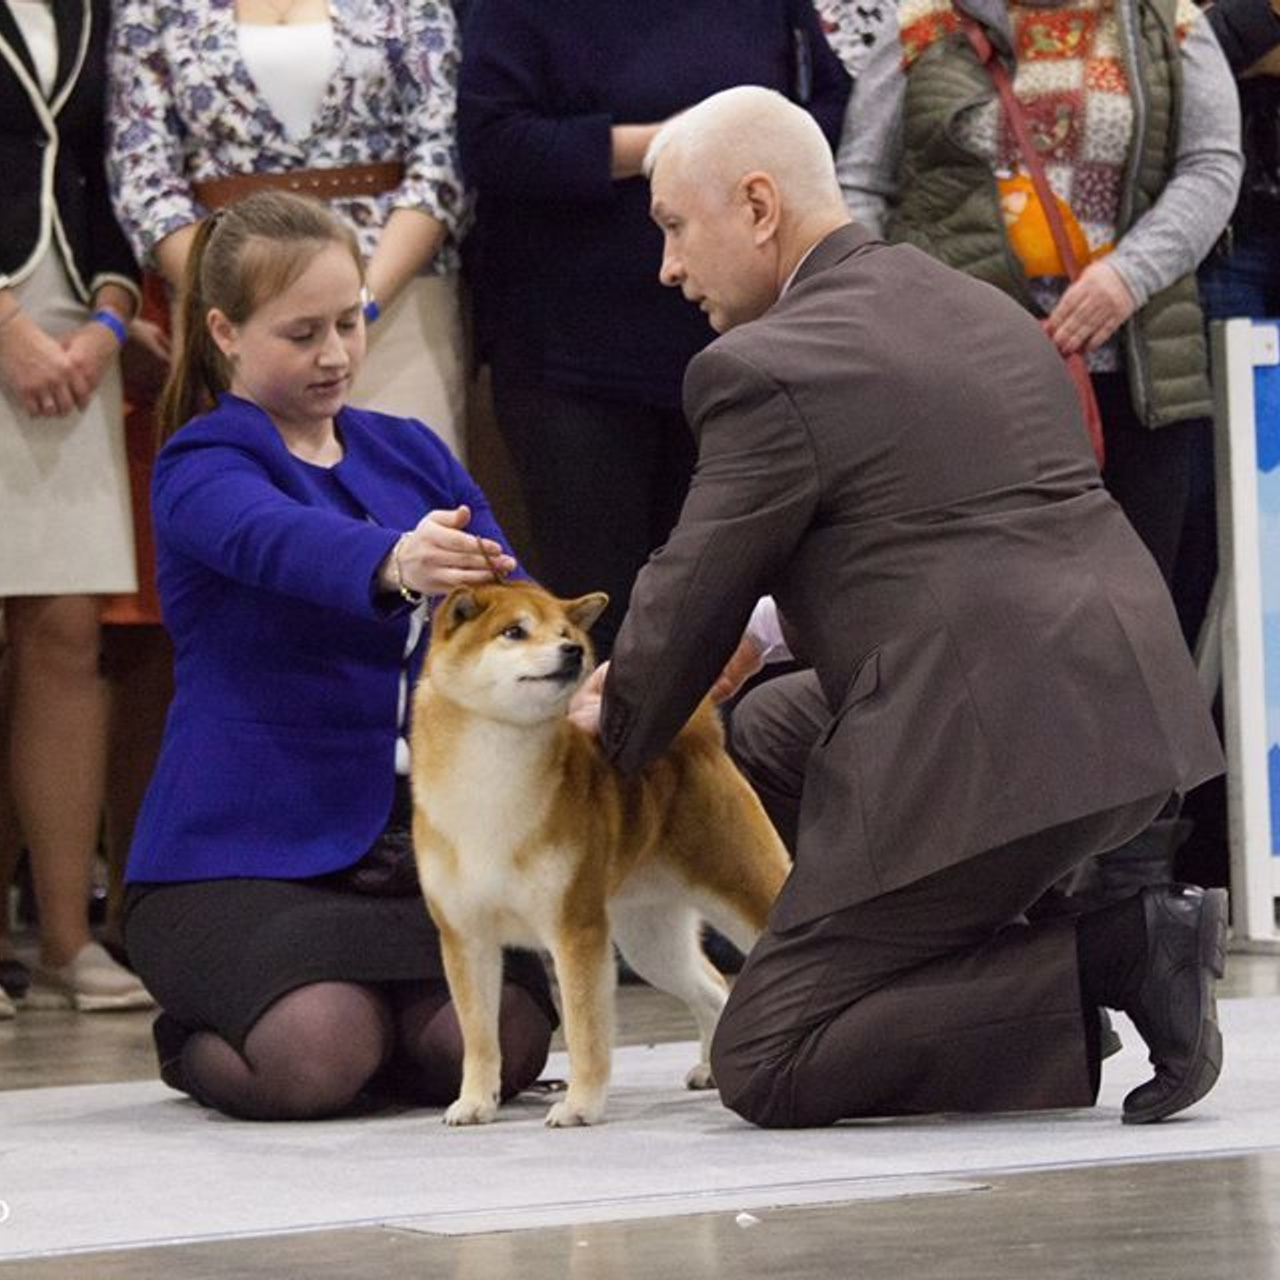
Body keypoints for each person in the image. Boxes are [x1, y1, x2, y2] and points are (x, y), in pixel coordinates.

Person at [569, 86, 1227, 1129]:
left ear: (754, 206)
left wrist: (613, 726)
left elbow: (690, 581)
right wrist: (738, 641)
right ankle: (1020, 941)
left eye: (672, 228)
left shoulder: (759, 366)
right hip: (1130, 716)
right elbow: (928, 524)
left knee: (766, 1055)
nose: (667, 267)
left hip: (994, 738)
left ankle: (1109, 951)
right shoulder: (972, 302)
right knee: (774, 727)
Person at [121, 191, 556, 1121]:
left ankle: (387, 1035)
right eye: (300, 333)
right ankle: (194, 1039)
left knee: (499, 1048)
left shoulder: (409, 454)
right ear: (225, 332)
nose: (334, 355)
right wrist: (395, 559)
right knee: (317, 1054)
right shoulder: (200, 464)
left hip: (407, 856)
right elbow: (275, 541)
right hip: (235, 861)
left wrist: (574, 681)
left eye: (349, 321)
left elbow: (514, 601)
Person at [457, 0, 852, 660]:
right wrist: (673, 147)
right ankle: (611, 763)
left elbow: (824, 108)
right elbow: (492, 143)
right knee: (602, 618)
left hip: (736, 354)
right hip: (572, 359)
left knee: (729, 614)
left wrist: (741, 159)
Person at [834, 0, 1241, 588]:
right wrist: (894, 316)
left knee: (1131, 613)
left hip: (1133, 376)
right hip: (960, 380)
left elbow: (1211, 166)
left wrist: (1130, 276)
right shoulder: (924, 21)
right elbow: (861, 183)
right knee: (980, 608)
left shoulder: (1166, 18)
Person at [0, 0, 152, 1012]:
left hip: (69, 330)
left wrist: (110, 316)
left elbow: (104, 168)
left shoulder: (99, 5)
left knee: (63, 634)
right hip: (9, 319)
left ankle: (66, 938)